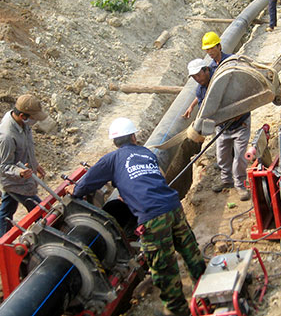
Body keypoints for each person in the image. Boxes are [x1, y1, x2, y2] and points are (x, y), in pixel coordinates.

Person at [65, 117, 206, 316]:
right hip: (173, 206)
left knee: (164, 268)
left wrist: (75, 190)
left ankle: (178, 311)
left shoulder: (111, 159)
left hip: (152, 218)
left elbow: (86, 185)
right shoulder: (146, 152)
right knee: (191, 252)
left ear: (114, 142)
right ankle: (208, 292)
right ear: (133, 137)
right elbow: (146, 180)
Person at [183, 54, 251, 201]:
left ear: (206, 70)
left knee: (239, 157)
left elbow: (243, 96)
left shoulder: (223, 79)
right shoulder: (200, 90)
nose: (197, 79)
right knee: (222, 157)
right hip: (223, 128)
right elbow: (205, 111)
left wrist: (238, 113)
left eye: (198, 75)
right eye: (194, 77)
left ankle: (240, 185)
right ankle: (227, 180)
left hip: (240, 124)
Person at [0, 94, 48, 240]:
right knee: (39, 209)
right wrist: (20, 173)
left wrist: (35, 165)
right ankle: (48, 233)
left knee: (7, 210)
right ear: (23, 116)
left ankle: (3, 243)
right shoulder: (6, 136)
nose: (35, 121)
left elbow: (26, 149)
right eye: (34, 118)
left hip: (22, 176)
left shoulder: (23, 124)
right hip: (13, 181)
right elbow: (4, 165)